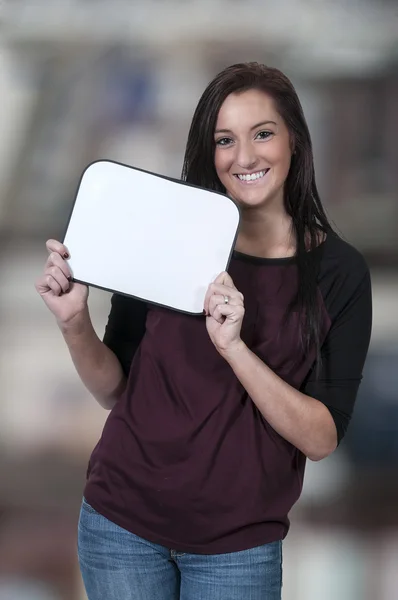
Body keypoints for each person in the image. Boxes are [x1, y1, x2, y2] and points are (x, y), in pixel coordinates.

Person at [35, 62, 372, 600]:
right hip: (119, 524)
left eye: (263, 133)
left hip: (238, 548)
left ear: (295, 141)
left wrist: (235, 349)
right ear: (207, 151)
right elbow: (115, 391)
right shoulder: (165, 232)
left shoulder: (338, 272)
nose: (245, 157)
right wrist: (75, 323)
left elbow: (321, 437)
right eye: (224, 140)